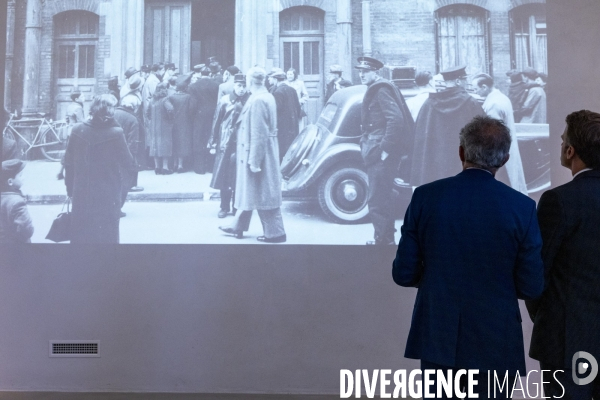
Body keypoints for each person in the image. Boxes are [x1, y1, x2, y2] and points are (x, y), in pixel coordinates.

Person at [393, 115, 545, 398]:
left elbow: (403, 273)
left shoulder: (425, 197)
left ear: (461, 151)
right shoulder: (522, 208)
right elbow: (531, 286)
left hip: (438, 332)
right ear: (505, 159)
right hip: (496, 339)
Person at [526, 110, 600, 399]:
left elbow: (536, 274)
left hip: (567, 340)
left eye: (561, 141)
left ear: (570, 151)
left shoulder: (558, 200)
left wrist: (546, 317)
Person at [219, 67, 286, 243]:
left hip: (257, 153)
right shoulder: (265, 96)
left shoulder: (257, 100)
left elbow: (259, 133)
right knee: (250, 191)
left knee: (264, 194)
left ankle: (276, 233)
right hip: (259, 152)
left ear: (249, 82)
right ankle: (237, 225)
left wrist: (254, 162)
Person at [355, 56, 414, 245]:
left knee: (376, 199)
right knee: (384, 195)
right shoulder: (381, 87)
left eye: (366, 71)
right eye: (360, 71)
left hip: (381, 154)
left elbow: (396, 120)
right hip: (379, 151)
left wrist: (385, 150)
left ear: (376, 72)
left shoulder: (380, 89)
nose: (361, 74)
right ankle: (386, 238)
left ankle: (382, 242)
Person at [63, 94, 135, 244]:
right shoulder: (116, 133)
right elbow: (129, 164)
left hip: (81, 193)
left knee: (82, 238)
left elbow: (68, 164)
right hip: (107, 194)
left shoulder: (77, 130)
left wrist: (70, 190)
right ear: (109, 112)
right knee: (107, 238)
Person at [411, 65, 485, 187]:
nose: (466, 82)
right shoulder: (471, 103)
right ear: (457, 81)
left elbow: (419, 139)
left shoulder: (429, 104)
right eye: (464, 79)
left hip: (435, 167)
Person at [472, 73, 528, 195]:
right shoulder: (501, 97)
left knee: (502, 184)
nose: (476, 93)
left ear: (484, 87)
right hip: (505, 148)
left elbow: (493, 133)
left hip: (498, 151)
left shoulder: (494, 104)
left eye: (476, 89)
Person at [209, 73, 250, 218]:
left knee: (238, 177)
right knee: (224, 176)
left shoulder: (250, 100)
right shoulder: (225, 100)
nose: (241, 89)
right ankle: (224, 207)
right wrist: (212, 141)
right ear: (234, 85)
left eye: (244, 86)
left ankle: (236, 207)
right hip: (225, 143)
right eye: (239, 85)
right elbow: (216, 120)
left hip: (242, 142)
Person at [188, 65, 219, 174]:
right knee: (211, 139)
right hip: (213, 115)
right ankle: (210, 167)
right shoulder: (216, 85)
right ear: (210, 74)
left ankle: (199, 168)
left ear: (201, 74)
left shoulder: (193, 86)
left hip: (199, 116)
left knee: (198, 140)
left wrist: (192, 116)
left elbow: (193, 105)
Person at [113, 96, 141, 215]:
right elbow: (132, 141)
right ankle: (117, 208)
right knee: (124, 182)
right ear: (134, 107)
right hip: (124, 155)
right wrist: (131, 158)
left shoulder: (113, 113)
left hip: (108, 153)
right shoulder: (133, 119)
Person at [268, 67, 301, 161]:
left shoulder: (278, 92)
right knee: (290, 150)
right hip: (293, 126)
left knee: (281, 151)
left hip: (282, 127)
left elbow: (276, 111)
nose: (270, 80)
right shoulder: (292, 89)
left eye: (271, 78)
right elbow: (298, 109)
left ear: (275, 79)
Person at [120, 76, 145, 192]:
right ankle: (131, 184)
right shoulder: (134, 98)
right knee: (133, 158)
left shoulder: (127, 95)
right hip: (133, 128)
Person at [1, 160, 34, 243]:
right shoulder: (17, 203)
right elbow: (27, 231)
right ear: (10, 182)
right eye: (20, 175)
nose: (24, 177)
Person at [57, 88, 86, 180]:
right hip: (77, 133)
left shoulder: (70, 106)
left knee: (68, 152)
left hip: (70, 131)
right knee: (79, 153)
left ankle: (60, 172)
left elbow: (66, 119)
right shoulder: (79, 108)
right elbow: (81, 122)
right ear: (77, 99)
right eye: (82, 96)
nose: (84, 98)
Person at [168, 76, 195, 173]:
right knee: (182, 143)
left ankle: (175, 164)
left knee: (175, 142)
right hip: (185, 122)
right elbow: (191, 109)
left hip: (173, 122)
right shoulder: (188, 97)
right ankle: (180, 165)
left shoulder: (171, 97)